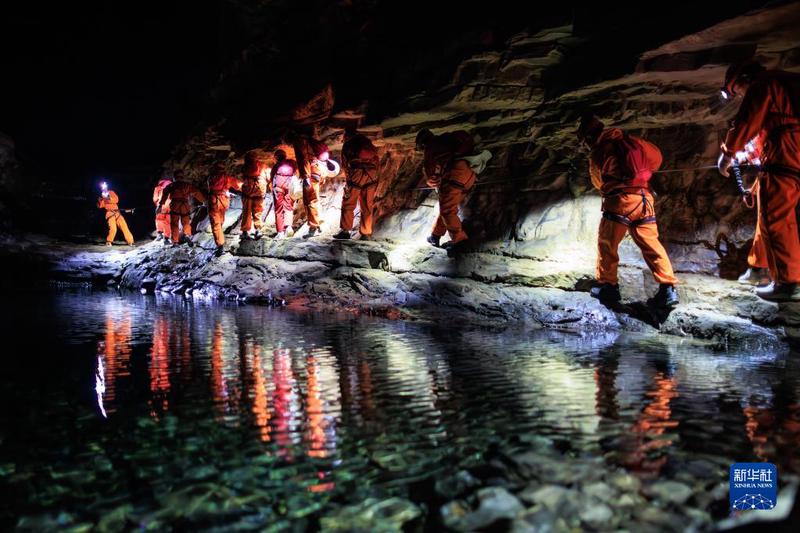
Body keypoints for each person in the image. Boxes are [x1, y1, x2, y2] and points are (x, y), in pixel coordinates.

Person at [718, 60, 800, 302]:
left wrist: (728, 153)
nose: (741, 96)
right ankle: (759, 266)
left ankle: (789, 283)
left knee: (775, 219)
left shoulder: (765, 83)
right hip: (789, 151)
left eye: (737, 90)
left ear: (744, 80)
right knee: (767, 212)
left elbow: (747, 121)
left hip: (786, 155)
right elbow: (771, 129)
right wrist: (745, 156)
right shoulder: (786, 86)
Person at [577, 114, 679, 308]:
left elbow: (598, 182)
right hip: (644, 199)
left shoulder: (599, 151)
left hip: (620, 202)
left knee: (607, 244)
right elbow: (657, 159)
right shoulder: (634, 142)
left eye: (584, 142)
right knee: (652, 245)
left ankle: (608, 286)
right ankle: (668, 289)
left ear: (589, 137)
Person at [416, 128, 477, 250]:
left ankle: (460, 242)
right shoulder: (445, 140)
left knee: (447, 211)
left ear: (423, 144)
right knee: (446, 208)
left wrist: (433, 181)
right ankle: (435, 235)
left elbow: (431, 176)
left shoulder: (430, 148)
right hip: (469, 175)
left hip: (454, 177)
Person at [734, 133, 771, 287]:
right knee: (767, 226)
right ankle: (763, 269)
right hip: (776, 177)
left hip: (775, 180)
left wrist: (735, 156)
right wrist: (753, 190)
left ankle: (761, 270)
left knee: (766, 226)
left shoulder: (768, 129)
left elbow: (759, 148)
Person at [334, 130, 380, 240]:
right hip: (371, 175)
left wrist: (349, 179)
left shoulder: (348, 145)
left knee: (349, 203)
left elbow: (345, 164)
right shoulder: (367, 143)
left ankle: (345, 231)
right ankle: (366, 233)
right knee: (367, 205)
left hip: (356, 174)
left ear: (346, 137)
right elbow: (376, 160)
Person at [292, 135, 333, 238]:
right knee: (315, 199)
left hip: (311, 173)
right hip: (319, 171)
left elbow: (303, 159)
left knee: (310, 201)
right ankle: (318, 223)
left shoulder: (301, 143)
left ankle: (313, 227)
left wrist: (305, 176)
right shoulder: (314, 142)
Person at [160, 169, 205, 246]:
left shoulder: (171, 186)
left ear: (174, 177)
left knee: (174, 224)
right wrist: (203, 200)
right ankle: (187, 235)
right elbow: (196, 192)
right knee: (186, 222)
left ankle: (175, 241)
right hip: (184, 205)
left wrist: (160, 204)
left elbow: (164, 194)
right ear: (182, 177)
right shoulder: (187, 185)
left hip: (175, 205)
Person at [207, 162, 242, 256]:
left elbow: (210, 189)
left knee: (216, 223)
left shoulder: (211, 177)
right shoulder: (227, 177)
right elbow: (238, 185)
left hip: (214, 201)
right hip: (224, 201)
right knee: (220, 221)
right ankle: (220, 237)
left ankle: (220, 245)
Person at [240, 152, 268, 240]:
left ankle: (245, 232)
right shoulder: (262, 166)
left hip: (247, 193)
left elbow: (240, 179)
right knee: (258, 212)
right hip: (258, 192)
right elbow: (268, 177)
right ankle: (258, 230)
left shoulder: (244, 167)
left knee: (246, 212)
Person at [271, 154, 298, 239]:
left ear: (276, 158)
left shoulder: (276, 166)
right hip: (289, 187)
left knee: (279, 210)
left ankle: (280, 232)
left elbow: (272, 177)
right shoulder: (292, 163)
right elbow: (296, 171)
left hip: (279, 188)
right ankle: (288, 227)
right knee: (288, 207)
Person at [152, 174, 173, 242]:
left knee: (159, 220)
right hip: (170, 206)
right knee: (167, 221)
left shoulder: (158, 188)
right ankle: (166, 237)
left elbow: (155, 199)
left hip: (161, 206)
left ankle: (160, 234)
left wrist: (157, 204)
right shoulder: (172, 187)